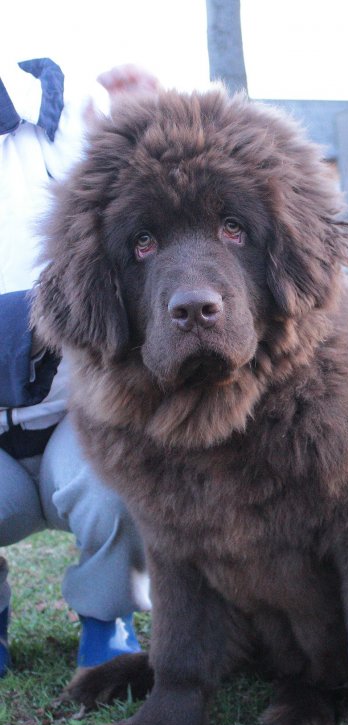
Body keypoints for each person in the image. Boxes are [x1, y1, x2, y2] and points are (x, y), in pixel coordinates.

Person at [0, 59, 154, 677]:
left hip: (76, 407)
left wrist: (145, 118)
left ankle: (108, 616)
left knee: (118, 482)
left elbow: (148, 209)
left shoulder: (69, 127)